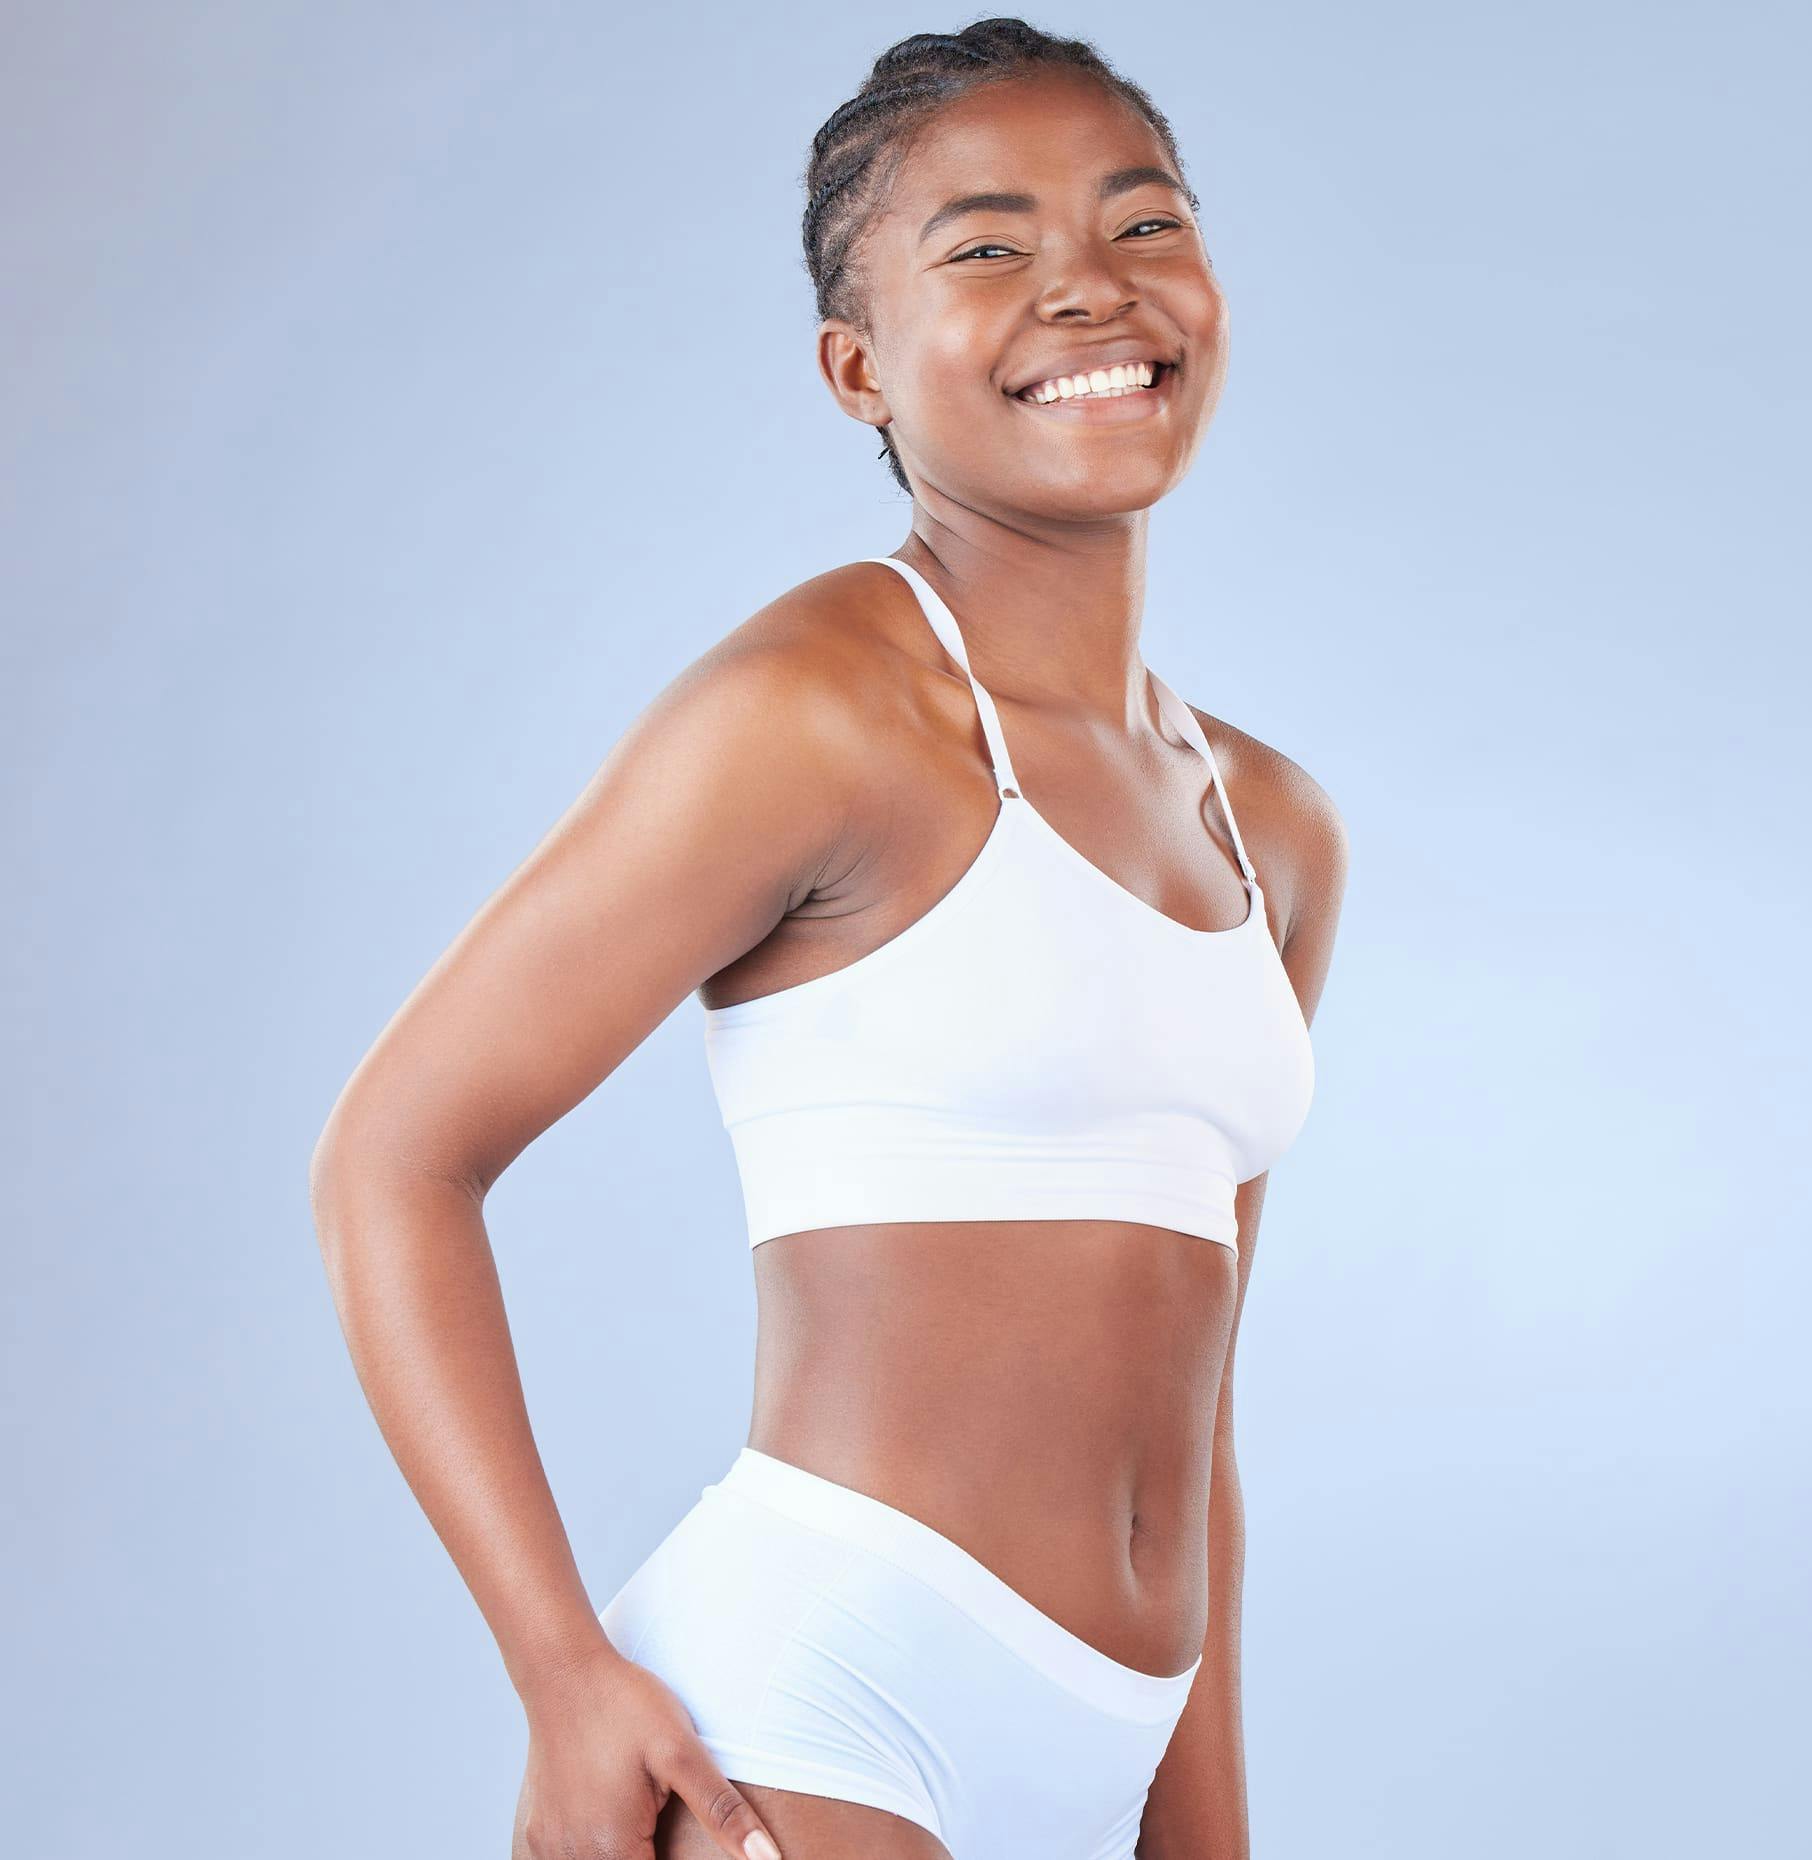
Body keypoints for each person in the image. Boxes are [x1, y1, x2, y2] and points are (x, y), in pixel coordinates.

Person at [310, 18, 1348, 1860]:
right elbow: (394, 1159)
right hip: (814, 1711)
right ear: (854, 369)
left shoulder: (1265, 823)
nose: (1089, 294)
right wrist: (561, 1676)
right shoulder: (816, 710)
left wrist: (1203, 1828)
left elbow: (1196, 1409)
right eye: (986, 249)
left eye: (1142, 225)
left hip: (1117, 1730)